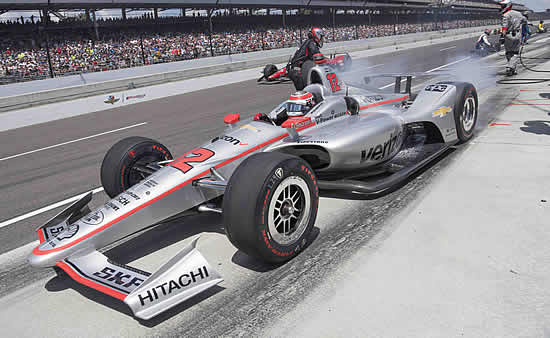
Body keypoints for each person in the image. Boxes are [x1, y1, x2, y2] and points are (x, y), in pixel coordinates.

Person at [497, 0, 525, 76]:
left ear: (507, 5)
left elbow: (504, 27)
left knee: (509, 52)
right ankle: (512, 68)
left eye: (503, 5)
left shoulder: (505, 15)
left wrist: (502, 36)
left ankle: (510, 67)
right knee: (515, 53)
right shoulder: (518, 13)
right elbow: (524, 20)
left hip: (508, 36)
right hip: (517, 35)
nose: (501, 7)